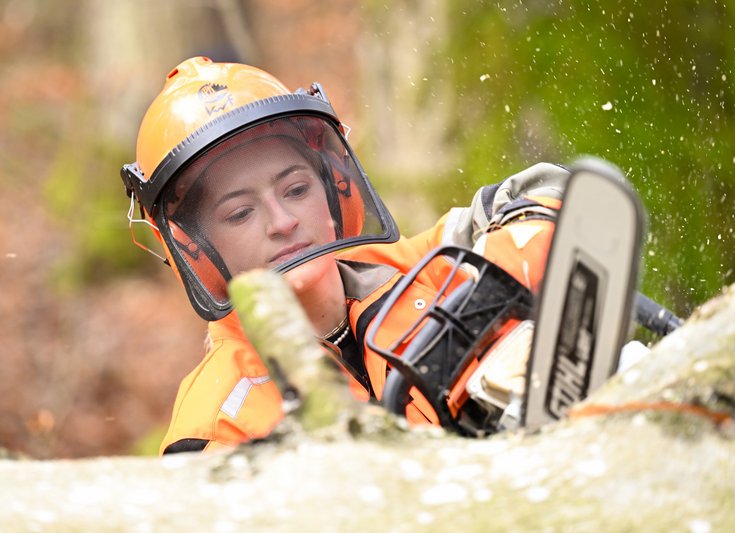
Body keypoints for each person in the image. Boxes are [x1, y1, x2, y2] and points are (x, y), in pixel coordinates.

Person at [121, 57, 567, 454]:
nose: (282, 221)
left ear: (335, 190)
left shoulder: (415, 266)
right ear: (196, 248)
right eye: (240, 213)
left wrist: (489, 296)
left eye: (296, 190)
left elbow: (551, 194)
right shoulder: (217, 426)